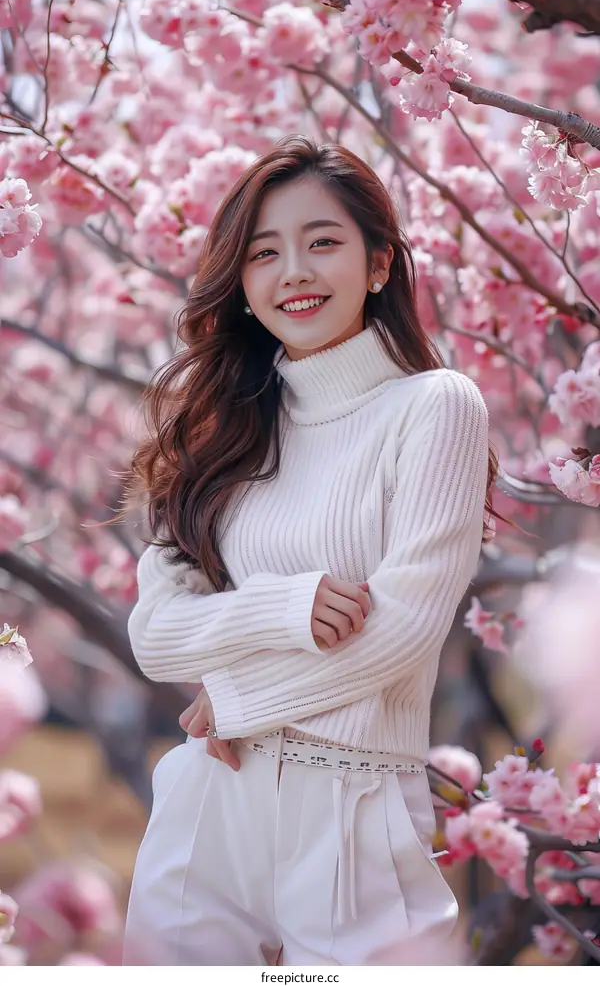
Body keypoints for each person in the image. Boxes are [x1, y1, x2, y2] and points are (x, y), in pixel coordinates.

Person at [121, 135, 497, 967]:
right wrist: (286, 607)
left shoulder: (434, 407)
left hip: (355, 803)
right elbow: (155, 634)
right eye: (264, 252)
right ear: (243, 283)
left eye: (322, 241)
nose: (293, 270)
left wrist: (241, 694)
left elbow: (402, 627)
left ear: (378, 264)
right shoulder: (220, 436)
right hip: (210, 794)